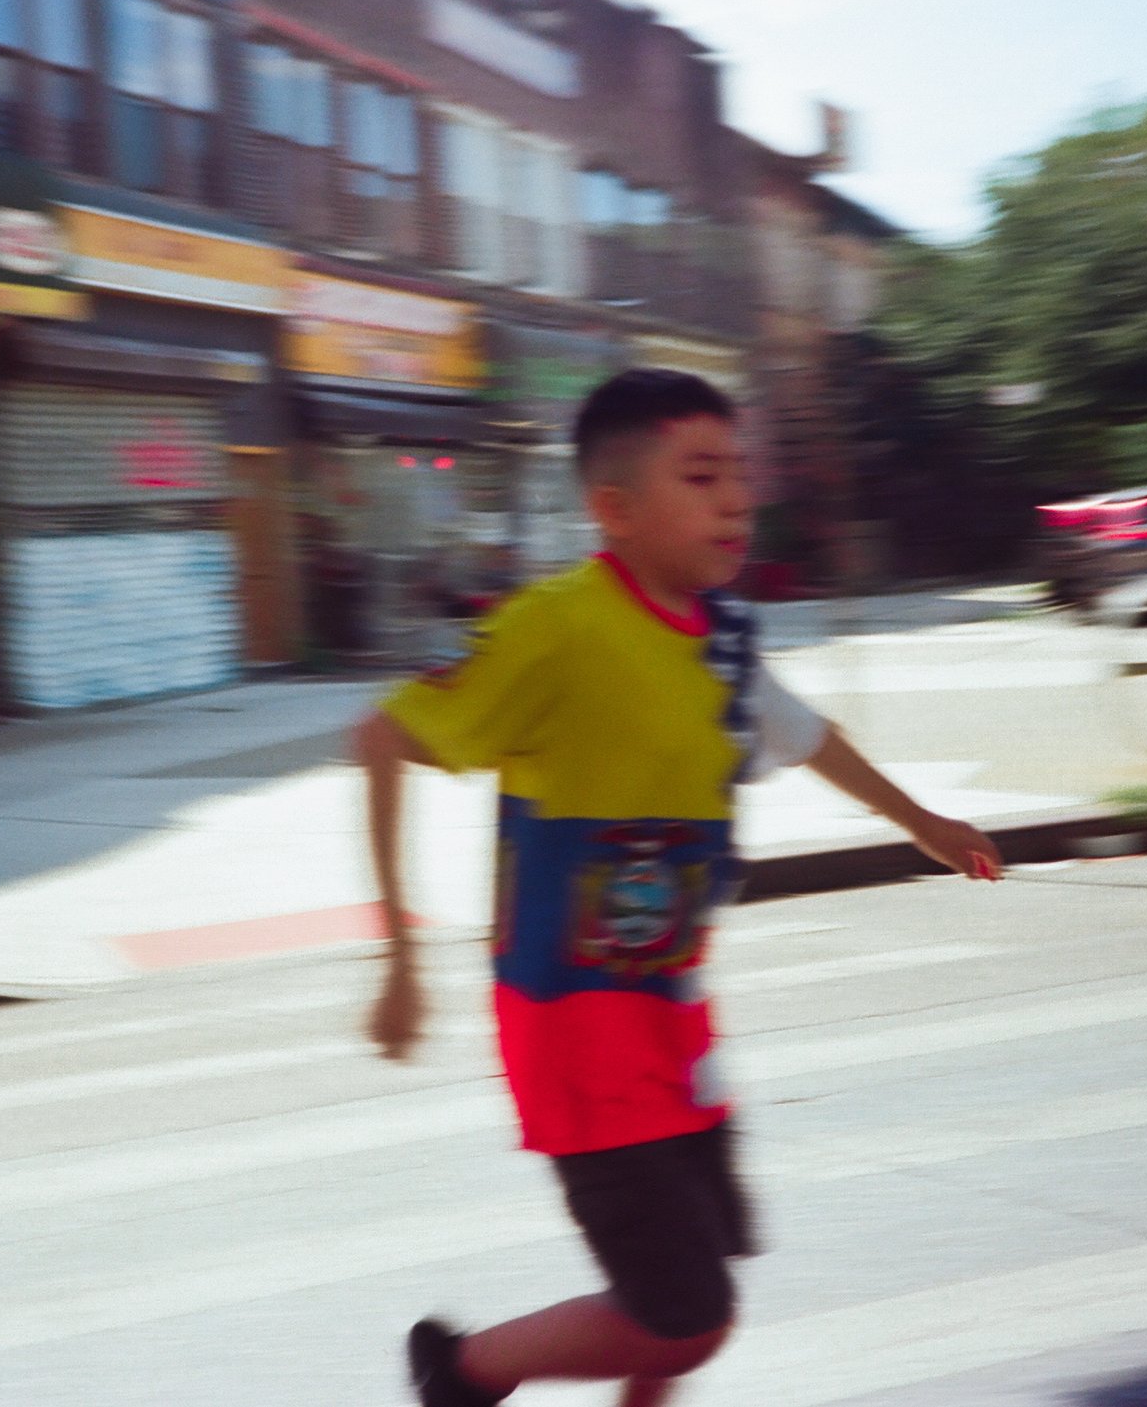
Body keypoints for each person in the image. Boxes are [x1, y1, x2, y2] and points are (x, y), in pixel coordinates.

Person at [352, 368, 1004, 1406]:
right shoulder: (555, 627)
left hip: (671, 1018)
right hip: (574, 1031)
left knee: (688, 1293)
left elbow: (807, 736)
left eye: (740, 472)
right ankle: (463, 1370)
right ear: (614, 508)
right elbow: (381, 737)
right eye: (701, 475)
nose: (736, 498)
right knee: (682, 1317)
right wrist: (399, 965)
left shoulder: (724, 641)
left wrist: (924, 825)